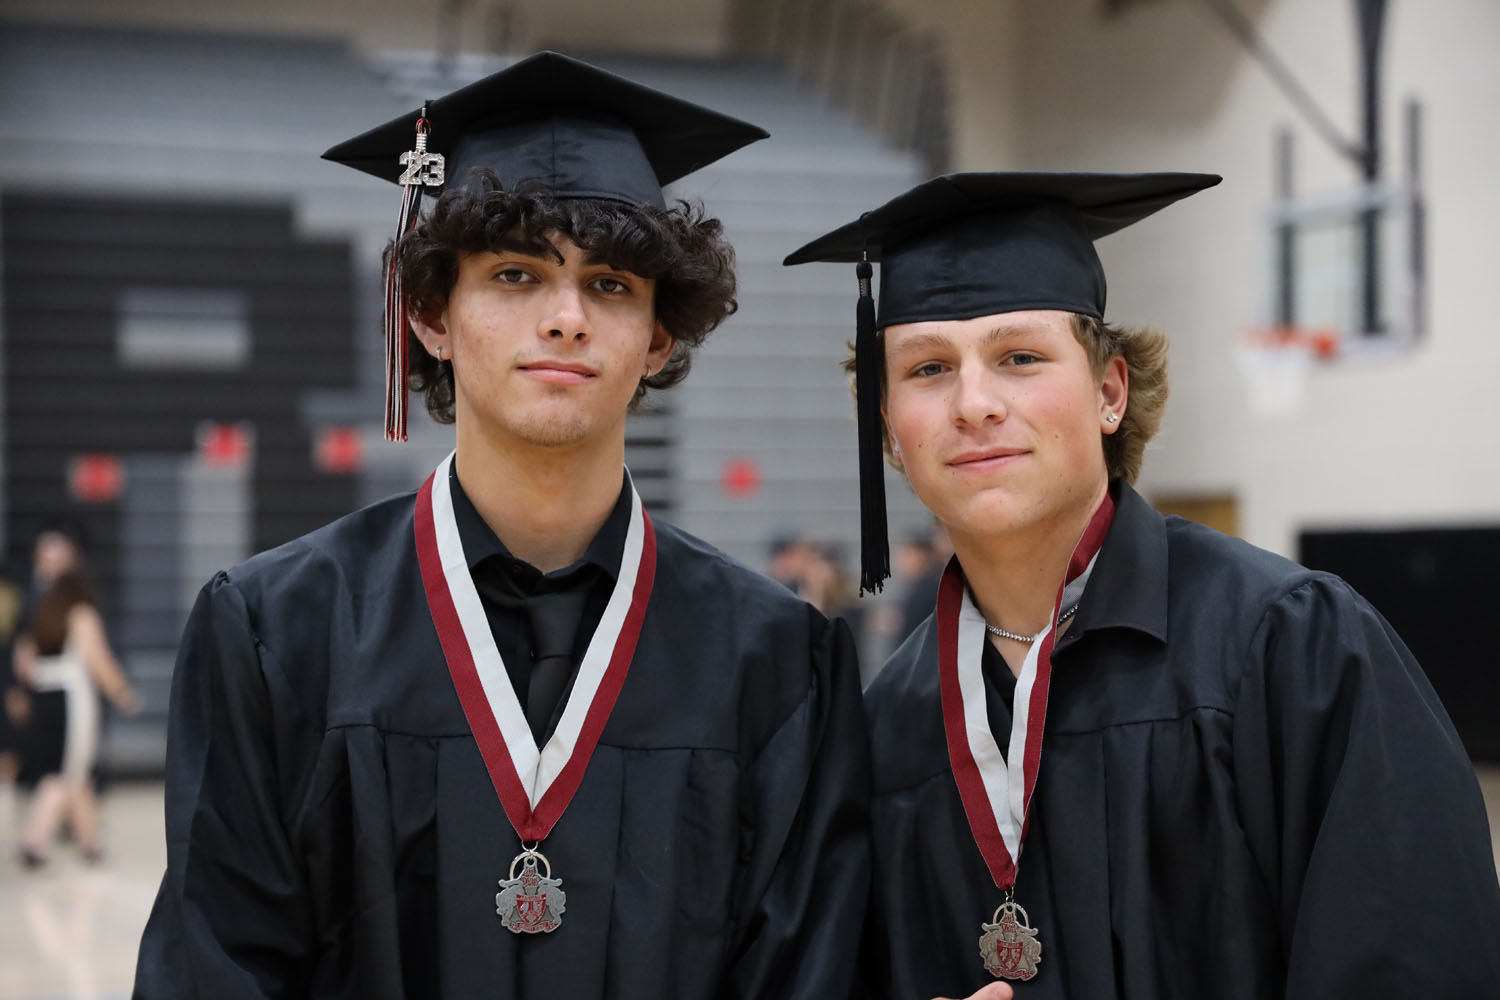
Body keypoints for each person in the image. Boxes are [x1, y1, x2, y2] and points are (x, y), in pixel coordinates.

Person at [134, 52, 869, 999]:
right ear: (432, 316)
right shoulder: (278, 632)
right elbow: (216, 969)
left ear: (658, 337)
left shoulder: (775, 661)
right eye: (517, 274)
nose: (565, 318)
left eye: (609, 285)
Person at [786, 171, 1500, 999]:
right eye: (929, 368)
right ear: (890, 432)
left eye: (1020, 357)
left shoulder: (1290, 650)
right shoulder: (889, 728)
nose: (973, 403)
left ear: (1110, 392)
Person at [13, 526, 139, 867]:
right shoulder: (81, 614)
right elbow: (98, 661)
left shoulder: (38, 616)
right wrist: (123, 694)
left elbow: (22, 663)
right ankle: (34, 841)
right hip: (72, 701)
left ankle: (90, 843)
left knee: (77, 773)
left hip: (44, 697)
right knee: (63, 774)